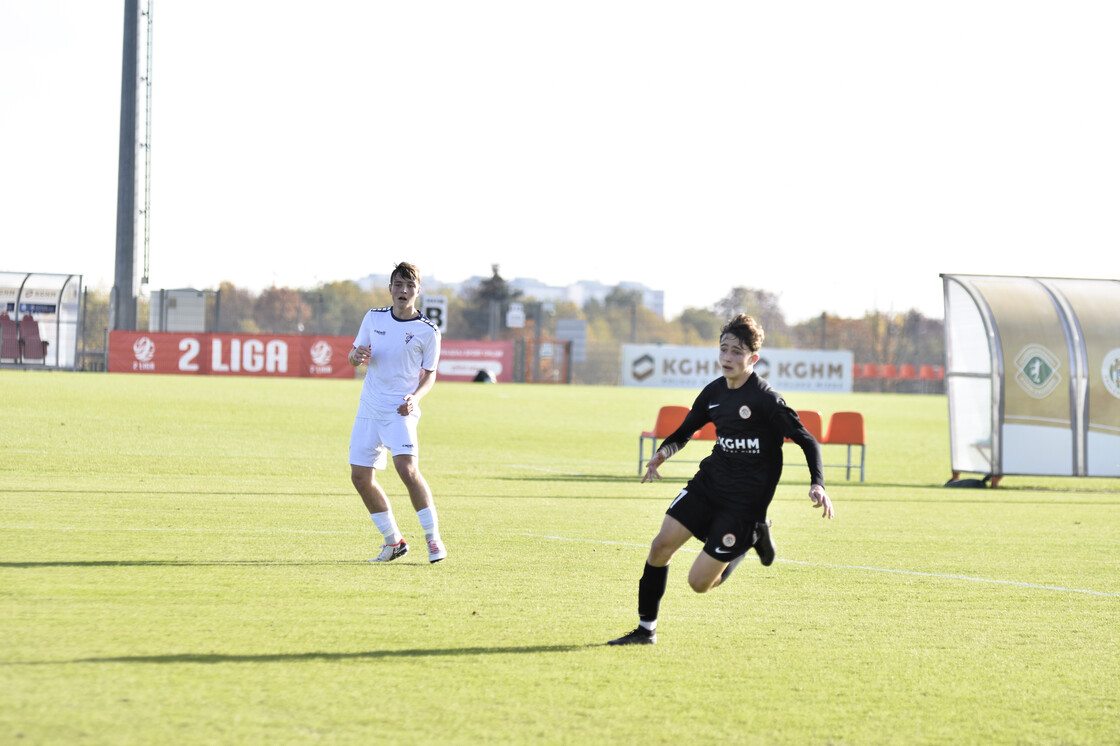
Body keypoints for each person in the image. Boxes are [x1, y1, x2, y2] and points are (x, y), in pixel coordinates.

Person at [609, 313, 834, 645]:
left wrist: (818, 483)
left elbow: (807, 440)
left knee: (699, 583)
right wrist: (662, 454)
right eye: (724, 349)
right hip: (709, 484)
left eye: (737, 352)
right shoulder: (714, 392)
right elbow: (685, 431)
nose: (728, 358)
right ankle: (646, 630)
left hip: (744, 503)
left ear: (753, 359)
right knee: (660, 547)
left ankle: (753, 535)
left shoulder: (766, 400)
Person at [348, 262, 446, 563]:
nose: (403, 291)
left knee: (407, 470)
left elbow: (430, 374)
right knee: (360, 477)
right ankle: (393, 542)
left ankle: (433, 540)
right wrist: (356, 356)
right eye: (398, 285)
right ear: (390, 288)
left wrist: (415, 399)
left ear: (418, 291)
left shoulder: (427, 331)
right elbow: (354, 357)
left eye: (409, 286)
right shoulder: (373, 318)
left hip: (400, 411)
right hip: (369, 409)